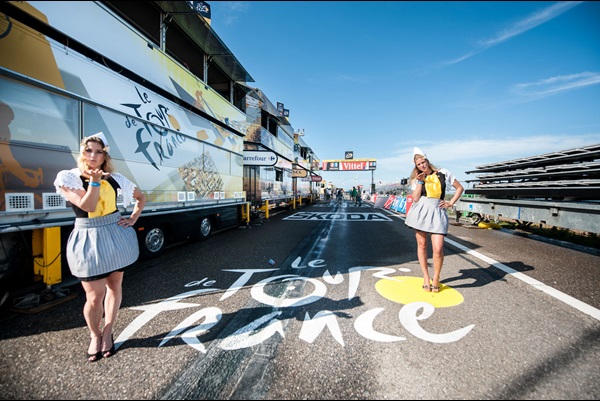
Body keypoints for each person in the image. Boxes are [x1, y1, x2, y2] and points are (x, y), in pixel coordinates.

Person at [54, 132, 146, 362]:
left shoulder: (115, 178)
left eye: (98, 151)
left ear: (105, 155)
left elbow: (141, 197)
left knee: (115, 286)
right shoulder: (68, 177)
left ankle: (108, 330)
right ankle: (94, 335)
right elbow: (88, 204)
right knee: (94, 296)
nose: (93, 155)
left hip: (115, 232)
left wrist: (133, 218)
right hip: (88, 235)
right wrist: (95, 181)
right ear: (82, 153)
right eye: (88, 151)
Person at [404, 147, 464, 293]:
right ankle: (426, 277)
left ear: (427, 161)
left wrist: (450, 203)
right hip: (421, 211)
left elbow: (459, 188)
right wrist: (419, 182)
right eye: (419, 164)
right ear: (416, 166)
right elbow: (416, 198)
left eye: (423, 162)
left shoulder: (443, 172)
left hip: (438, 211)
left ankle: (436, 277)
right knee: (422, 245)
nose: (422, 166)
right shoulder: (416, 178)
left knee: (437, 249)